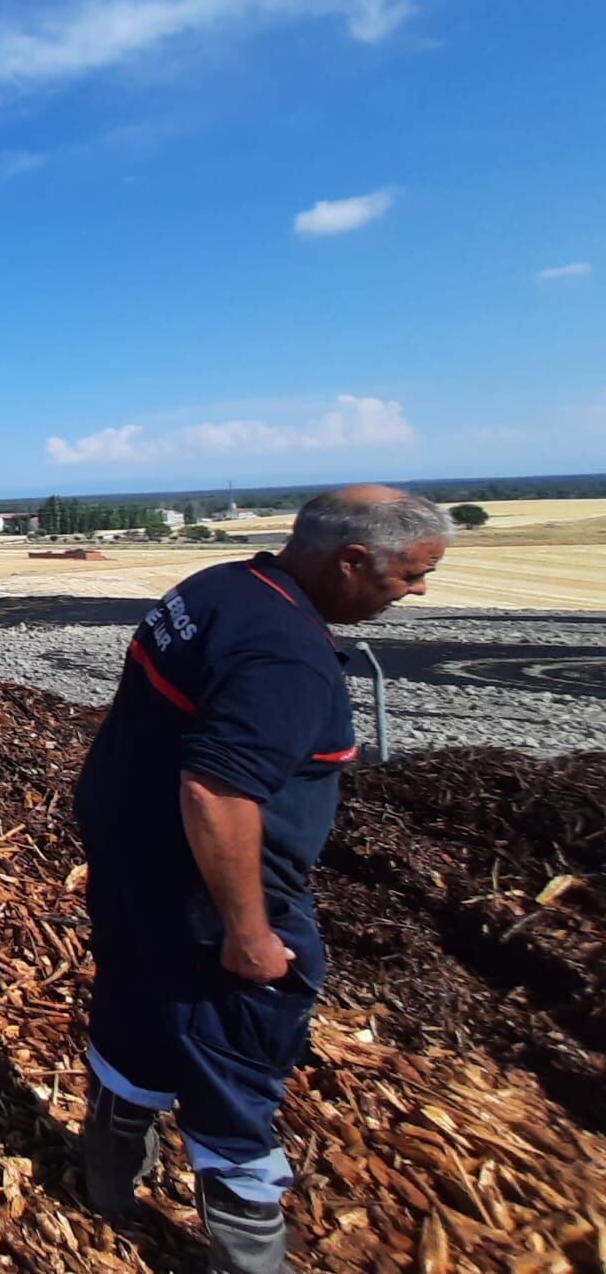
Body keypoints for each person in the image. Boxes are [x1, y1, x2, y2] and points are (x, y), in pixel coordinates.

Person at [74, 486, 451, 1273]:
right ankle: (248, 1257)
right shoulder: (285, 655)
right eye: (410, 573)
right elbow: (215, 790)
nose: (417, 590)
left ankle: (106, 1182)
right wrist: (250, 933)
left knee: (134, 1016)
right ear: (351, 560)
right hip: (210, 894)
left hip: (131, 859)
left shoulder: (217, 587)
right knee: (234, 1067)